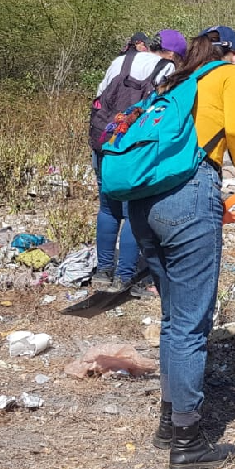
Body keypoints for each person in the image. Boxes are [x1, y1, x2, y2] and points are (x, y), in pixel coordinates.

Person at [128, 27, 235, 469]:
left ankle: (169, 424)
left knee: (173, 318)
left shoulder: (176, 80)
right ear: (234, 54)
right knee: (191, 324)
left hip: (143, 200)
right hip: (190, 190)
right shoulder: (230, 74)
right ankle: (188, 443)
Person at [92, 32, 176, 292]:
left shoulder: (120, 62)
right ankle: (124, 276)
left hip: (105, 141)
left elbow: (99, 99)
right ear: (173, 53)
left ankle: (103, 271)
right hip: (135, 148)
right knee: (132, 212)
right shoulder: (166, 68)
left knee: (108, 208)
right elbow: (165, 111)